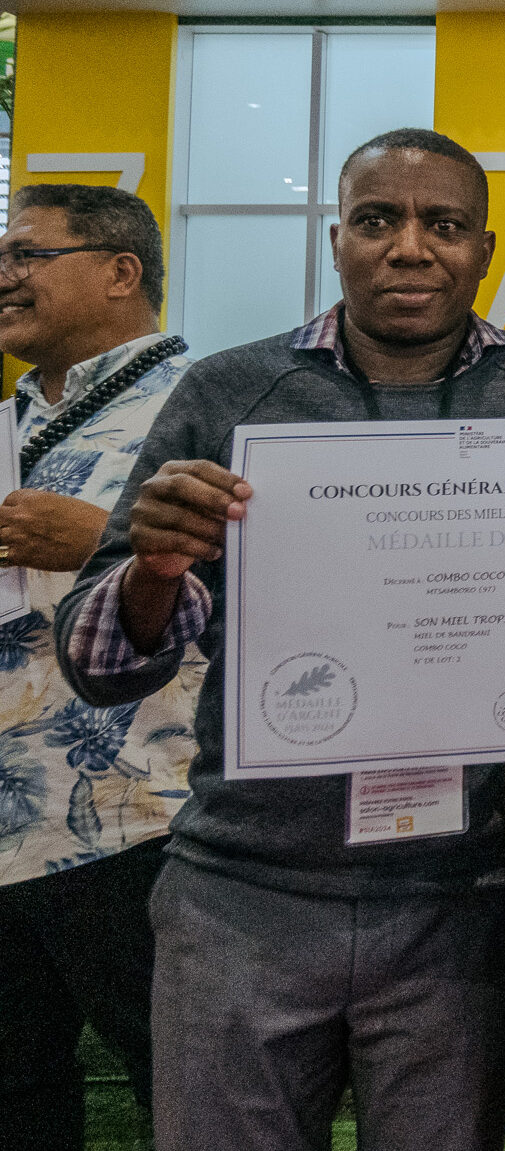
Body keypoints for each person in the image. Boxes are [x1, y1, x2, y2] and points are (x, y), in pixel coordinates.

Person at [53, 129, 505, 1151]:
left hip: (457, 899)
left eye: (440, 225)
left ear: (483, 249)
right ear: (337, 237)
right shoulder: (230, 393)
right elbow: (99, 665)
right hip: (245, 891)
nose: (408, 247)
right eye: (377, 220)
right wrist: (153, 569)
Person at [0, 184, 202, 1151]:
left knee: (191, 1092)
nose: (5, 275)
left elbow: (296, 585)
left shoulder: (206, 404)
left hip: (140, 819)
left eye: (27, 254)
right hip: (7, 825)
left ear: (122, 271)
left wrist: (93, 537)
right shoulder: (9, 423)